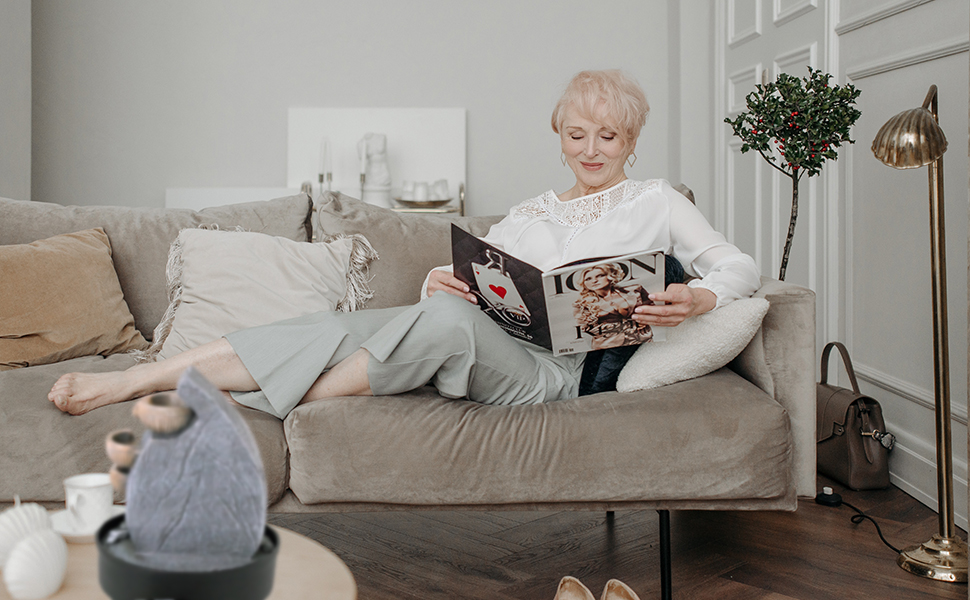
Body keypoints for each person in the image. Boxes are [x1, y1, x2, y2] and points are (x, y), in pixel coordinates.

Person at [48, 69, 761, 419]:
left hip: (557, 376)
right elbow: (480, 279)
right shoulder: (530, 211)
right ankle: (141, 378)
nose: (592, 149)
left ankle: (251, 402)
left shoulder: (656, 201)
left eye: (608, 137)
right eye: (578, 135)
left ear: (631, 140)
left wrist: (696, 296)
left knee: (444, 324)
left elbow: (738, 267)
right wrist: (438, 282)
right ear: (560, 136)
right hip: (482, 333)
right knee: (333, 325)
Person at [572, 263, 654, 350]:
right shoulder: (581, 304)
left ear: (610, 276)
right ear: (584, 283)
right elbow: (586, 328)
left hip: (643, 339)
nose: (594, 281)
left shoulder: (635, 289)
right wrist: (631, 324)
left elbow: (651, 308)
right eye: (588, 279)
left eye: (600, 276)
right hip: (608, 345)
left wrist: (645, 319)